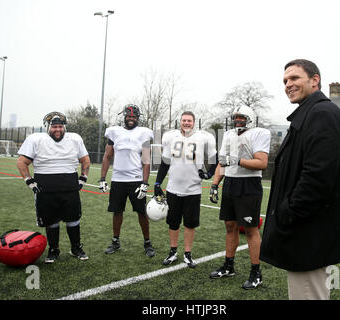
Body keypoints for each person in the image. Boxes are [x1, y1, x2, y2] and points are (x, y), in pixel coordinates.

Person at [260, 59, 340, 300]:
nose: (288, 84)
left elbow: (318, 177)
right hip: (308, 231)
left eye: (295, 78)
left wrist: (289, 212)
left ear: (314, 80)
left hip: (308, 234)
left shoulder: (321, 113)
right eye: (285, 81)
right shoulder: (311, 112)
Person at [208, 106, 271, 290]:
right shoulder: (228, 135)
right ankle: (229, 266)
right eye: (235, 118)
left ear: (249, 118)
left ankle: (256, 273)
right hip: (230, 183)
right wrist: (214, 184)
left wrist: (237, 160)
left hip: (248, 184)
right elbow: (222, 163)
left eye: (241, 118)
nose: (237, 121)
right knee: (230, 226)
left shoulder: (259, 133)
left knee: (250, 229)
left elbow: (262, 163)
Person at [17, 111, 91, 264]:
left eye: (60, 126)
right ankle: (53, 249)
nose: (57, 130)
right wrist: (29, 181)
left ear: (65, 127)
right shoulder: (36, 139)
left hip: (70, 186)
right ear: (47, 127)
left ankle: (76, 247)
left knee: (73, 219)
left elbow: (86, 160)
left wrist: (83, 178)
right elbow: (21, 162)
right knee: (51, 221)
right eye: (54, 127)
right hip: (46, 187)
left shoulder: (75, 139)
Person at [154, 111, 217, 268]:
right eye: (184, 120)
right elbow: (165, 162)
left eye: (189, 120)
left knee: (190, 223)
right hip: (173, 188)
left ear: (194, 123)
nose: (186, 123)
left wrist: (209, 173)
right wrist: (157, 183)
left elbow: (215, 158)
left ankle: (187, 254)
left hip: (193, 190)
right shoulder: (171, 137)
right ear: (180, 122)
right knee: (173, 222)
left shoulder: (202, 138)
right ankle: (173, 251)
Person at [99, 104, 155, 257]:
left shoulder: (143, 133)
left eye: (134, 117)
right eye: (129, 116)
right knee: (117, 211)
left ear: (138, 118)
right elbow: (107, 156)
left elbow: (146, 160)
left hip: (136, 179)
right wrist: (102, 178)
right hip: (118, 179)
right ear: (125, 117)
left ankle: (147, 243)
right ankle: (115, 241)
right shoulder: (115, 132)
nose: (131, 119)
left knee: (142, 212)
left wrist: (144, 182)